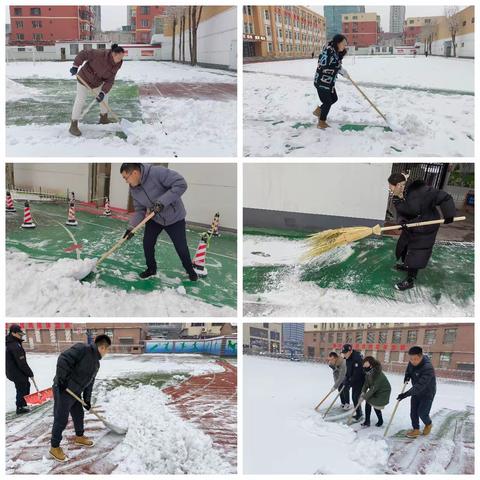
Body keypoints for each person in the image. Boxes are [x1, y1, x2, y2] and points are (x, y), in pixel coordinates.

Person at [120, 163, 198, 281]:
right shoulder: (134, 189)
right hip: (155, 218)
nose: (126, 181)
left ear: (134, 173)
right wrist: (131, 228)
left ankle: (190, 270)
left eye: (126, 177)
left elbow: (181, 184)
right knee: (147, 244)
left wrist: (162, 202)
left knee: (181, 247)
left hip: (174, 218)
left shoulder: (156, 173)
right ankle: (151, 269)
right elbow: (140, 210)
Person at [388, 172, 456, 291]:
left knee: (417, 251)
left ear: (398, 185)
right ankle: (407, 265)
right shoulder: (396, 198)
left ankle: (410, 280)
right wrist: (402, 222)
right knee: (404, 245)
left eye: (390, 186)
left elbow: (444, 197)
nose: (389, 189)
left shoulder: (422, 192)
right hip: (411, 226)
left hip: (426, 226)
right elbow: (401, 212)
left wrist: (449, 214)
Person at [49, 334, 111, 462]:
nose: (107, 352)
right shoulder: (82, 349)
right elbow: (63, 359)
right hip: (63, 389)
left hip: (75, 392)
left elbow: (89, 383)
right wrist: (61, 380)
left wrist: (87, 400)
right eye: (107, 349)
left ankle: (79, 437)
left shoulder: (96, 364)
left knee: (78, 415)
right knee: (61, 418)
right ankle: (54, 447)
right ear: (103, 347)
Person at [68, 44, 126, 137]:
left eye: (122, 58)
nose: (120, 60)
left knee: (104, 97)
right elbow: (83, 54)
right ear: (113, 54)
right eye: (119, 58)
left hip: (97, 82)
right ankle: (73, 125)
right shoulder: (99, 54)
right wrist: (75, 66)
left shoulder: (117, 64)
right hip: (84, 78)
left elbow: (110, 80)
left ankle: (103, 118)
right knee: (80, 100)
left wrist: (103, 92)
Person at [396, 346, 436, 438]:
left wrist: (405, 394)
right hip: (416, 392)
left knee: (422, 413)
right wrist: (407, 376)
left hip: (427, 393)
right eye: (411, 359)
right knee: (413, 412)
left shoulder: (428, 368)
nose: (413, 361)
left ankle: (428, 424)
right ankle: (416, 429)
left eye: (415, 359)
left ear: (421, 356)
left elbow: (419, 386)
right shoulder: (412, 362)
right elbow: (409, 369)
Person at [313, 34, 349, 129]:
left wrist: (341, 70)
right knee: (328, 102)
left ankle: (319, 110)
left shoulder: (336, 52)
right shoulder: (328, 52)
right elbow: (325, 66)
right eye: (343, 44)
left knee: (334, 98)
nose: (345, 46)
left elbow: (336, 64)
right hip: (321, 82)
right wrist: (339, 69)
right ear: (337, 43)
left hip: (329, 82)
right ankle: (321, 122)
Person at [6, 324, 34, 415]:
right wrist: (30, 373)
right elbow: (22, 363)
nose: (21, 335)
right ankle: (20, 407)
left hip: (14, 370)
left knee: (26, 385)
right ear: (13, 333)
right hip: (16, 371)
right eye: (19, 334)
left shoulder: (12, 342)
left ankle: (23, 404)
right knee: (22, 387)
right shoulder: (14, 346)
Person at [360, 356, 391, 427]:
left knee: (373, 403)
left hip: (383, 392)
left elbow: (373, 388)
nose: (364, 366)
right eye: (364, 364)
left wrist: (364, 397)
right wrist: (363, 392)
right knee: (370, 402)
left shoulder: (378, 374)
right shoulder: (368, 372)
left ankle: (379, 420)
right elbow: (366, 384)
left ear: (371, 365)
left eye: (366, 364)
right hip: (376, 391)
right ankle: (368, 421)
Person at [341, 344, 365, 420]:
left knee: (355, 397)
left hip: (360, 380)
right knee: (354, 397)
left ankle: (359, 413)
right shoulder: (347, 357)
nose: (344, 354)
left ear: (350, 351)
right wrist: (346, 378)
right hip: (353, 379)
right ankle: (359, 412)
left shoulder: (357, 358)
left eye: (345, 352)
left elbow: (357, 374)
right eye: (343, 353)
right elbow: (348, 371)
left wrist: (349, 382)